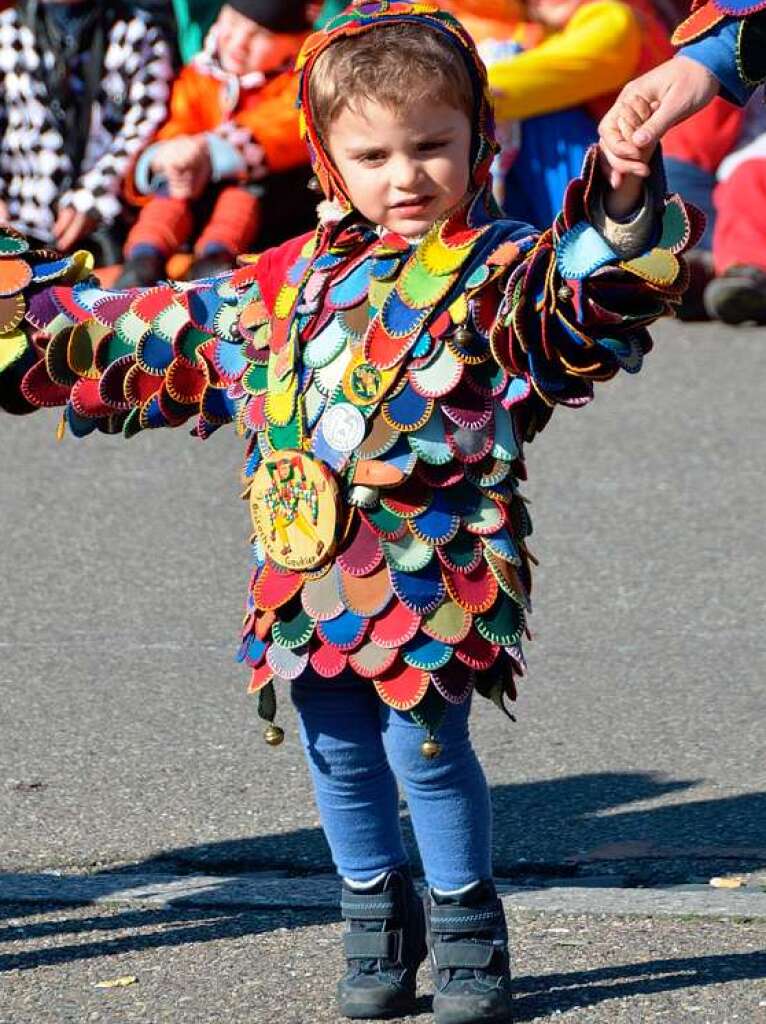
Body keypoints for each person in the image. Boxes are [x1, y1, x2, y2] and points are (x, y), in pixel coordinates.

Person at [0, 3, 696, 1020]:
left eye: (432, 146)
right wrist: (29, 310)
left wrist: (623, 193)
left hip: (433, 568)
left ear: (477, 139)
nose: (405, 175)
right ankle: (373, 913)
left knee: (426, 741)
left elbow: (586, 294)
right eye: (372, 153)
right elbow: (145, 332)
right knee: (330, 742)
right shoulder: (276, 285)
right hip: (305, 574)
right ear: (326, 159)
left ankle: (465, 926)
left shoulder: (499, 269)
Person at [117, 0, 314, 286]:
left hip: (266, 211)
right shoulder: (199, 76)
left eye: (260, 35)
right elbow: (178, 120)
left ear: (293, 44)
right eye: (231, 24)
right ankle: (144, 257)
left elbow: (284, 124)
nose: (239, 42)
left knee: (242, 191)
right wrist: (171, 155)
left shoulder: (296, 82)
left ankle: (216, 260)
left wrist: (209, 151)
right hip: (194, 201)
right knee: (171, 188)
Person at [443, 0, 672, 226]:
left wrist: (430, 98)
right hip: (618, 181)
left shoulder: (614, 16)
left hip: (649, 182)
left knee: (540, 115)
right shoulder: (543, 32)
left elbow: (505, 91)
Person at [0, 0, 174, 264]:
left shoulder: (139, 32)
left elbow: (145, 124)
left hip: (103, 228)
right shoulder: (7, 30)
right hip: (17, 223)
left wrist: (93, 195)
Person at [599, 0, 766, 184]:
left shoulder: (614, 20)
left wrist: (709, 56)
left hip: (704, 161)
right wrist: (704, 59)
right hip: (677, 161)